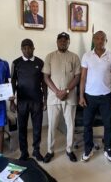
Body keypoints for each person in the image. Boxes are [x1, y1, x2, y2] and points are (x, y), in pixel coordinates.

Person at [79, 30, 111, 162]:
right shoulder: (87, 56)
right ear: (94, 40)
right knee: (87, 124)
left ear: (106, 41)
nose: (100, 41)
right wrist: (81, 96)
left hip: (105, 97)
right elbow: (83, 77)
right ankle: (88, 149)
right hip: (89, 97)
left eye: (103, 39)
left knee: (108, 125)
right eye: (97, 38)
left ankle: (108, 149)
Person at [42, 32, 81, 163]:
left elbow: (77, 77)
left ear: (69, 42)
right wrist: (58, 92)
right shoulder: (50, 57)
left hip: (70, 98)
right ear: (57, 42)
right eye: (60, 41)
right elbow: (46, 77)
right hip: (53, 98)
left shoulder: (75, 57)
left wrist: (67, 90)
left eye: (65, 41)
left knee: (70, 125)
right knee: (52, 125)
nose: (63, 43)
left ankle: (69, 150)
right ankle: (50, 151)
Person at [10, 39, 47, 161]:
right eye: (24, 48)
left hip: (37, 101)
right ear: (21, 49)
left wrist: (45, 100)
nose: (27, 50)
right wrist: (12, 101)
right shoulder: (16, 63)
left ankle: (36, 150)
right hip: (22, 102)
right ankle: (24, 152)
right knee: (22, 128)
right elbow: (13, 82)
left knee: (37, 127)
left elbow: (44, 83)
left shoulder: (40, 62)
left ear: (33, 48)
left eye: (29, 47)